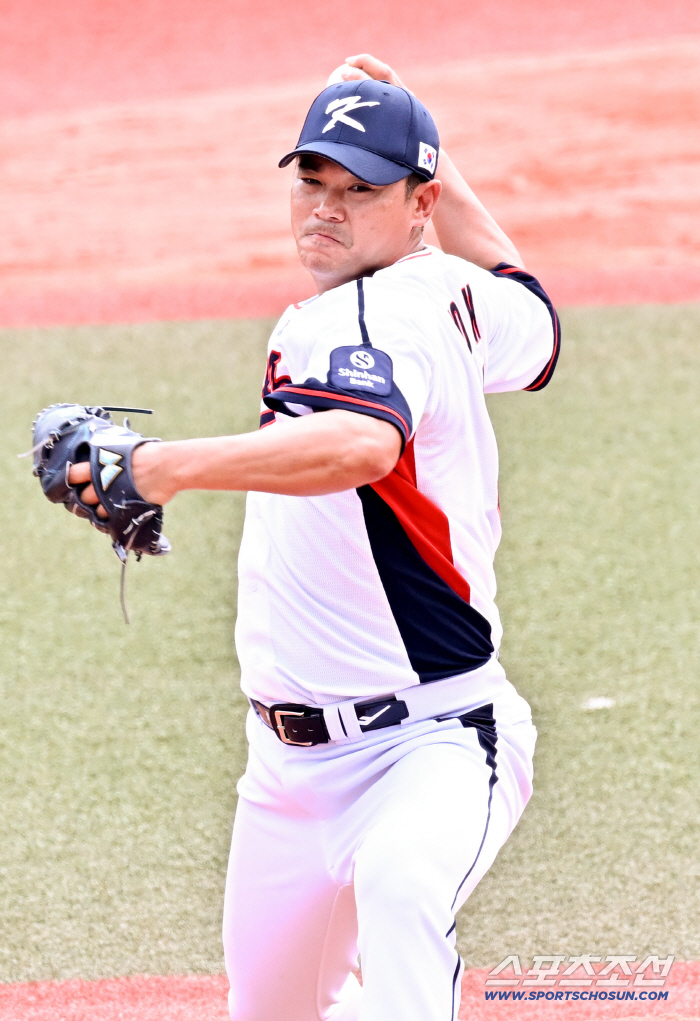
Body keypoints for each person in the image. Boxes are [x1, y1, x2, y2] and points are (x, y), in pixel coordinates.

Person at [71, 53, 560, 1021]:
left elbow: (361, 446)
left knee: (402, 891)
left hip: (432, 742)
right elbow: (532, 305)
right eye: (312, 179)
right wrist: (430, 155)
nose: (326, 210)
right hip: (286, 774)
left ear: (416, 205)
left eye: (362, 189)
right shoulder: (457, 293)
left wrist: (156, 466)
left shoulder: (370, 317)